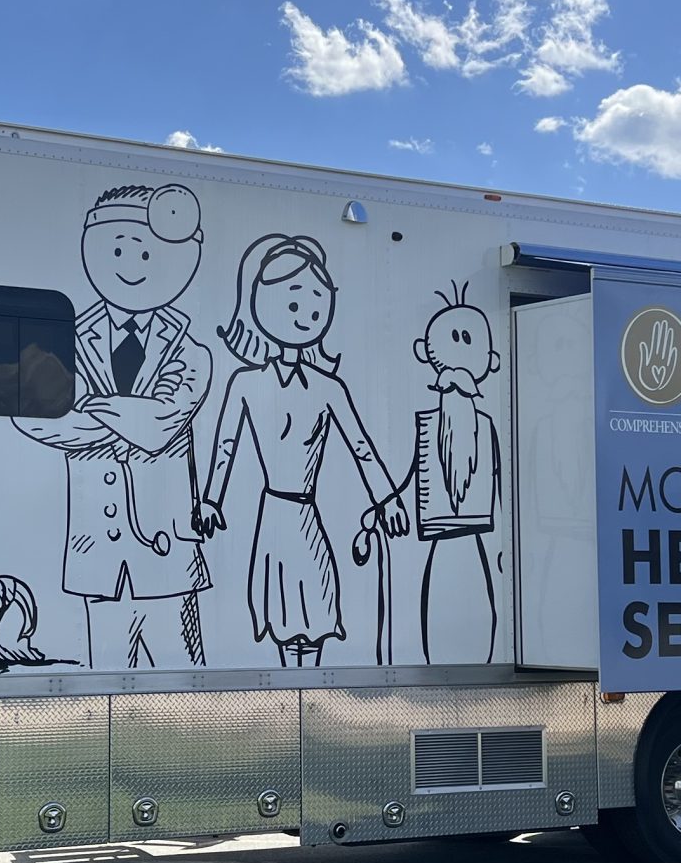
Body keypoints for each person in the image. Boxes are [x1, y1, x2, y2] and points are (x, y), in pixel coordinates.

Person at [14, 185, 212, 667]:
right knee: (104, 679)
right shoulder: (66, 339)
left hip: (166, 549)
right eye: (118, 248)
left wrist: (90, 406)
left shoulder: (190, 349)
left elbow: (161, 426)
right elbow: (33, 416)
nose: (131, 262)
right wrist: (132, 416)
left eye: (145, 251)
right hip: (96, 549)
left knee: (185, 678)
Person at [195, 233, 407, 667]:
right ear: (261, 306)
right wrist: (212, 499)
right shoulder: (247, 382)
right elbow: (226, 446)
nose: (306, 315)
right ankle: (293, 686)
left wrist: (386, 499)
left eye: (315, 305)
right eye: (293, 304)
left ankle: (306, 682)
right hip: (274, 514)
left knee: (315, 608)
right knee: (280, 613)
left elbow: (361, 446)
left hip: (305, 513)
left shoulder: (329, 388)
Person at [409, 288, 504, 662]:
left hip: (469, 538)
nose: (462, 345)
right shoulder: (429, 424)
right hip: (449, 540)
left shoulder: (485, 425)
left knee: (476, 610)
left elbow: (498, 488)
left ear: (491, 360)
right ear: (424, 352)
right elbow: (411, 475)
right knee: (448, 610)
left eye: (469, 339)